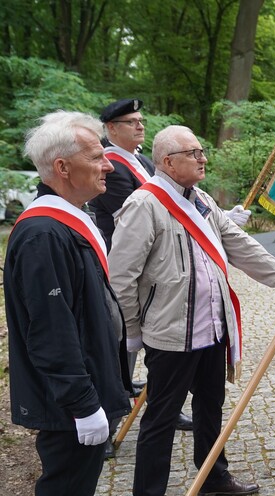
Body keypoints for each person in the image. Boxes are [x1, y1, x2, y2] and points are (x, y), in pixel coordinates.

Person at [109, 125, 275, 496]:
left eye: (202, 151)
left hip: (212, 328)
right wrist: (132, 331)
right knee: (161, 419)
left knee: (209, 405)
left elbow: (240, 244)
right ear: (168, 162)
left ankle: (212, 475)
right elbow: (121, 278)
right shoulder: (143, 204)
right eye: (194, 152)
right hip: (170, 334)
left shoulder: (200, 200)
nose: (203, 158)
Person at [4, 111, 132, 496]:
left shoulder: (66, 222)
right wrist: (83, 404)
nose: (109, 164)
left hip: (84, 392)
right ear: (62, 168)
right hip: (70, 406)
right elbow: (50, 330)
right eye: (97, 156)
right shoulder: (44, 234)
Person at [90, 99, 199, 447]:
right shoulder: (110, 166)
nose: (140, 126)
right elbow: (145, 208)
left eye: (141, 120)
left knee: (151, 344)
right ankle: (107, 423)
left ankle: (161, 402)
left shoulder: (143, 161)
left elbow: (176, 200)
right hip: (122, 266)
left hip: (154, 268)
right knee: (118, 346)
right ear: (111, 128)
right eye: (131, 121)